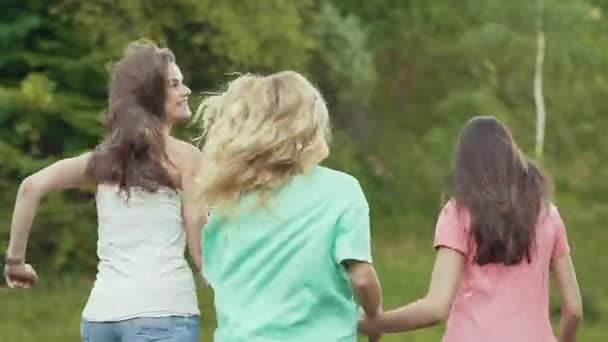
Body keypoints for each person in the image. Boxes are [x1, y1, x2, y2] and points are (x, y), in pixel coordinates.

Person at [3, 40, 206, 342]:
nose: (186, 90)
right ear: (151, 95)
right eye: (175, 84)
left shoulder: (99, 161)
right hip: (163, 312)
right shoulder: (184, 158)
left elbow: (30, 187)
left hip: (100, 319)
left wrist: (15, 263)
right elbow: (199, 245)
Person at [195, 71, 382, 341]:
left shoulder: (228, 196)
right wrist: (374, 317)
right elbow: (362, 278)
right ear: (312, 124)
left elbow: (216, 273)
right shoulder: (342, 190)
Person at [359, 116, 583, 342]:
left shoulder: (458, 213)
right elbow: (574, 309)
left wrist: (375, 323)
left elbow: (436, 307)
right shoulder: (548, 215)